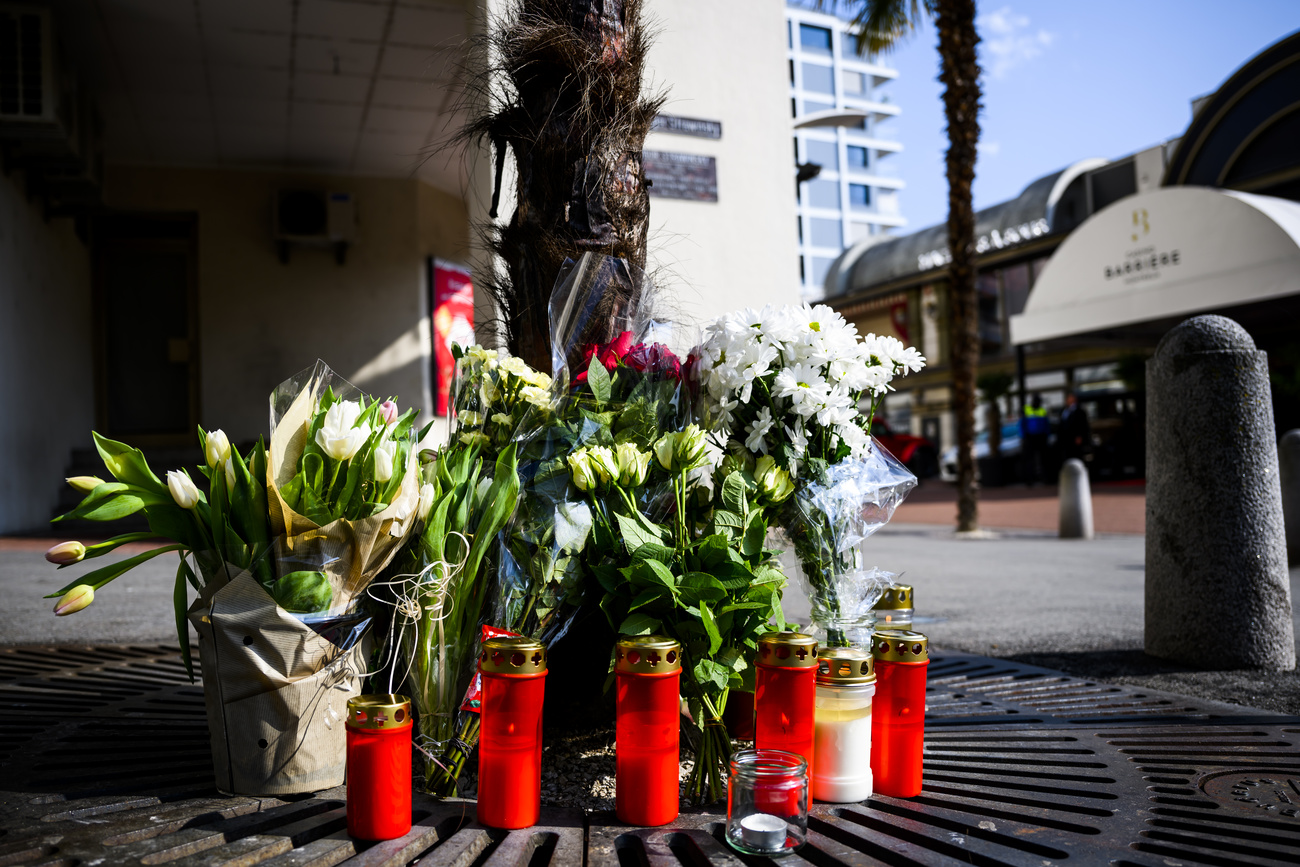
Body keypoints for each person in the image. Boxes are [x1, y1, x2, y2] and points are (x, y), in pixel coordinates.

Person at [1020, 393, 1050, 485]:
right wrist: (1024, 436)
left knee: (1043, 460)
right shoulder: (1027, 410)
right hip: (1030, 438)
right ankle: (1030, 480)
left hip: (1040, 438)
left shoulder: (1042, 410)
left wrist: (1046, 435)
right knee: (1030, 461)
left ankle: (1044, 479)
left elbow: (1046, 424)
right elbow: (1022, 424)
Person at [1059, 391, 1091, 464]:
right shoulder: (1064, 411)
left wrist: (1080, 436)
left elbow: (1082, 425)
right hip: (1066, 441)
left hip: (1075, 440)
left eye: (1070, 398)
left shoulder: (1080, 411)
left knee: (1077, 458)